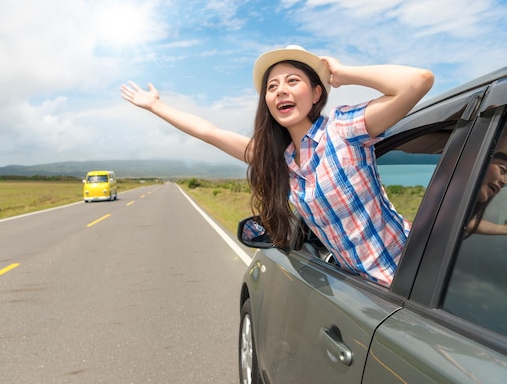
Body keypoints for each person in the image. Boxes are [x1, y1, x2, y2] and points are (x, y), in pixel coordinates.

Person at [121, 45, 434, 286]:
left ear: (315, 93)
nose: (280, 90)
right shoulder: (280, 161)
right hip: (370, 297)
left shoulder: (343, 129)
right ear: (268, 104)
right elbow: (210, 132)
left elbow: (418, 81)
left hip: (413, 278)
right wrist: (156, 106)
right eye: (272, 86)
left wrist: (344, 74)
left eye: (293, 81)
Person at [467, 145, 507, 236]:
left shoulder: (453, 218)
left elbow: (469, 224)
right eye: (503, 170)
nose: (504, 181)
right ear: (479, 162)